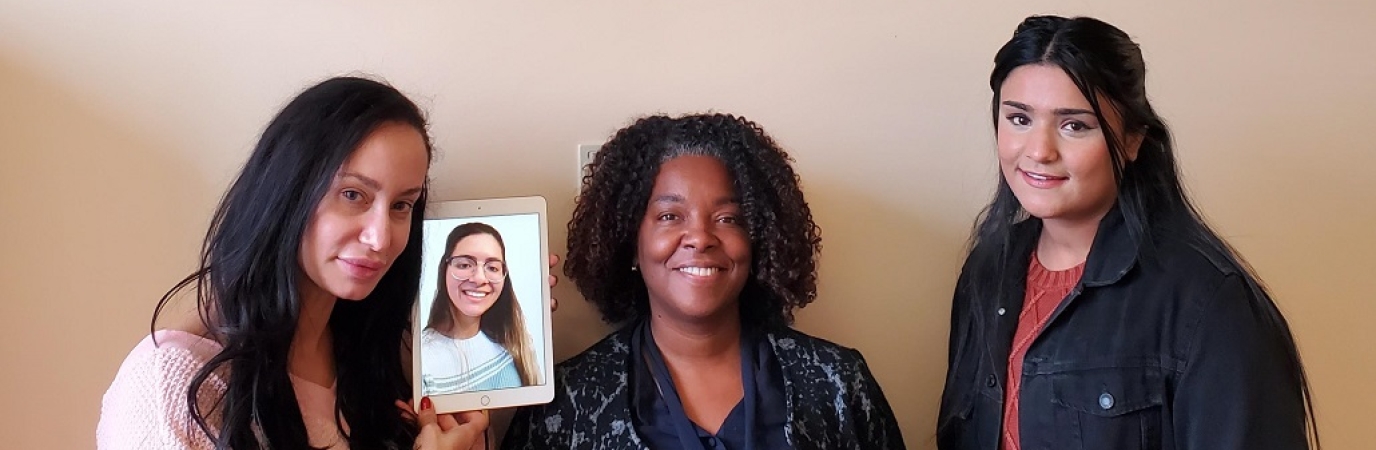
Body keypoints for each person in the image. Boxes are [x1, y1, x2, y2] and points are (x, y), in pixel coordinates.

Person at [937, 15, 1319, 450]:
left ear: (1133, 139)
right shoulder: (987, 274)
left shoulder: (1209, 301)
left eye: (1075, 125)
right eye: (1019, 119)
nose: (1039, 151)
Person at [98, 76, 488, 449]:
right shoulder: (172, 385)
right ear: (288, 191)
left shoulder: (370, 363)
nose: (381, 237)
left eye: (402, 205)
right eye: (353, 195)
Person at [503, 113, 904, 450]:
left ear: (758, 239)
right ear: (629, 241)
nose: (700, 237)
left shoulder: (837, 383)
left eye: (728, 219)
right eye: (669, 216)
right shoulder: (564, 403)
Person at [421, 222, 541, 395]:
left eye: (492, 267)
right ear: (444, 270)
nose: (479, 278)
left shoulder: (516, 342)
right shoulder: (421, 358)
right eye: (464, 265)